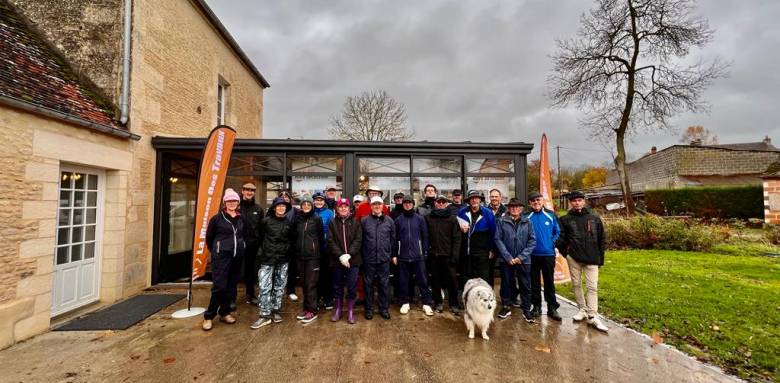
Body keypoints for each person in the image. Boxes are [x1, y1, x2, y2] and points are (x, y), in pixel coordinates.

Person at [557, 191, 608, 332]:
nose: (577, 203)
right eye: (574, 201)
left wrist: (600, 259)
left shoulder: (594, 218)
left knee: (592, 287)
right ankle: (582, 309)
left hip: (592, 258)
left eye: (579, 200)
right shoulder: (565, 219)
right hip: (574, 258)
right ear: (570, 203)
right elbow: (560, 239)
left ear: (584, 201)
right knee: (576, 284)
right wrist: (566, 253)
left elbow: (602, 239)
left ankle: (592, 315)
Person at [202, 189, 245, 331]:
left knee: (231, 287)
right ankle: (209, 316)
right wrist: (217, 250)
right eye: (229, 201)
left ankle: (224, 313)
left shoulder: (241, 218)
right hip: (221, 257)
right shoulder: (217, 219)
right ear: (224, 203)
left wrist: (242, 247)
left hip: (236, 257)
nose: (232, 203)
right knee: (219, 287)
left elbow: (244, 235)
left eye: (234, 201)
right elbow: (209, 238)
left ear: (238, 202)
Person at [251, 197, 295, 329]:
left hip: (283, 259)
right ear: (274, 208)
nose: (281, 208)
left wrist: (287, 251)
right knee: (265, 287)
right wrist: (263, 252)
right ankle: (264, 315)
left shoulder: (289, 223)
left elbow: (292, 239)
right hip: (267, 259)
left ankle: (276, 310)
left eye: (283, 206)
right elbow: (259, 237)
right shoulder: (266, 221)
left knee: (279, 286)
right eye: (279, 206)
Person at [494, 198, 536, 321]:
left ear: (521, 209)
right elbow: (498, 239)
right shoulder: (501, 221)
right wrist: (507, 256)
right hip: (506, 259)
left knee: (525, 284)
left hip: (523, 260)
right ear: (508, 208)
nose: (514, 209)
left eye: (517, 207)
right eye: (512, 207)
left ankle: (526, 309)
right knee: (506, 284)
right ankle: (506, 306)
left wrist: (521, 257)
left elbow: (532, 241)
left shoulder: (527, 222)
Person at [394, 195, 434, 316]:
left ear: (413, 204)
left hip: (418, 255)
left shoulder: (420, 219)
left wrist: (424, 251)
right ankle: (405, 302)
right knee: (403, 280)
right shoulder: (398, 220)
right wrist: (395, 254)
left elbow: (425, 236)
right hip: (403, 255)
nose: (407, 204)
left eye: (409, 202)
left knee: (423, 280)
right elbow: (394, 239)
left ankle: (426, 303)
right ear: (403, 205)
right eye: (405, 203)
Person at [525, 191, 562, 321]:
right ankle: (536, 307)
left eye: (538, 200)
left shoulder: (551, 215)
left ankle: (552, 308)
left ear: (542, 201)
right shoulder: (526, 216)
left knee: (549, 282)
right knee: (534, 282)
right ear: (530, 203)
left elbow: (558, 231)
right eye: (533, 201)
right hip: (532, 255)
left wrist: (552, 242)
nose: (536, 203)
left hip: (548, 254)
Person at [425, 195, 462, 315]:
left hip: (448, 255)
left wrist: (455, 255)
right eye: (439, 202)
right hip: (434, 255)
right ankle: (438, 302)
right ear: (435, 203)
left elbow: (457, 238)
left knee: (452, 281)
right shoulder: (428, 218)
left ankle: (454, 303)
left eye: (443, 202)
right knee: (435, 281)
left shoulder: (452, 219)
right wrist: (427, 251)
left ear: (446, 204)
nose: (441, 204)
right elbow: (425, 236)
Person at [328, 198, 363, 324]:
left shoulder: (356, 222)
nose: (343, 208)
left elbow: (358, 240)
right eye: (341, 206)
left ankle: (350, 311)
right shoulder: (332, 222)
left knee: (352, 285)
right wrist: (340, 255)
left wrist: (349, 255)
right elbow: (330, 240)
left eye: (345, 206)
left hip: (353, 260)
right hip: (336, 260)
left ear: (349, 208)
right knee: (337, 285)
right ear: (337, 209)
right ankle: (338, 309)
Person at [360, 196, 395, 320]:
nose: (377, 206)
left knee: (384, 284)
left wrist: (389, 253)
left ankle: (383, 309)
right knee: (368, 285)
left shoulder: (389, 221)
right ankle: (369, 309)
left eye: (379, 204)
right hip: (368, 259)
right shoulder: (364, 221)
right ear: (371, 206)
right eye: (374, 204)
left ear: (383, 206)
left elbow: (393, 239)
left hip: (384, 259)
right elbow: (360, 240)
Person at [293, 195, 325, 323]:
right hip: (300, 256)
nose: (306, 206)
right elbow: (295, 235)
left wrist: (315, 250)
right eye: (304, 204)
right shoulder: (297, 218)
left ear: (312, 206)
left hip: (313, 256)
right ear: (301, 206)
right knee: (303, 283)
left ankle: (312, 310)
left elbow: (321, 237)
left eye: (308, 204)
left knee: (311, 284)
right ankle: (306, 308)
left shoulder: (316, 218)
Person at [457, 190, 497, 284]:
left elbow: (493, 232)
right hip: (467, 251)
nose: (474, 200)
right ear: (468, 201)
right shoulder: (462, 212)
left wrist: (492, 249)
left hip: (483, 252)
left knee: (484, 277)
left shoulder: (488, 213)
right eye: (472, 199)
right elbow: (455, 230)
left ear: (480, 200)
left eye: (476, 198)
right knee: (468, 278)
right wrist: (460, 228)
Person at [239, 182, 264, 305]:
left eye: (252, 190)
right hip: (237, 245)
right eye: (247, 189)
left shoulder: (258, 209)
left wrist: (261, 244)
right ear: (242, 191)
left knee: (250, 271)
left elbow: (262, 228)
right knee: (235, 270)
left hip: (253, 246)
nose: (249, 192)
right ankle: (231, 297)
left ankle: (251, 294)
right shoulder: (236, 207)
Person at [313, 192, 335, 310]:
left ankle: (328, 298)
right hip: (313, 249)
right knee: (315, 275)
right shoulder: (311, 212)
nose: (319, 202)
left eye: (321, 200)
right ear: (313, 201)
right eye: (317, 200)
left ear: (324, 201)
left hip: (326, 248)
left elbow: (332, 229)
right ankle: (316, 298)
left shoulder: (329, 212)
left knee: (327, 274)